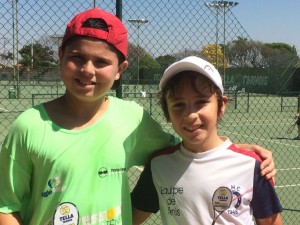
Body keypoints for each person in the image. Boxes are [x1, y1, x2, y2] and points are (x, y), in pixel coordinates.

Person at [0, 8, 275, 225]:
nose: (88, 70)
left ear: (121, 69)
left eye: (101, 62)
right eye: (77, 57)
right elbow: (6, 207)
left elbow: (191, 147)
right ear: (60, 56)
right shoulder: (28, 126)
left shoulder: (132, 118)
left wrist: (242, 153)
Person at [131, 56, 283, 225]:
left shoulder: (252, 165)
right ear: (167, 112)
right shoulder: (158, 165)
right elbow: (129, 218)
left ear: (221, 105)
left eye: (201, 102)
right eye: (179, 105)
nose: (190, 115)